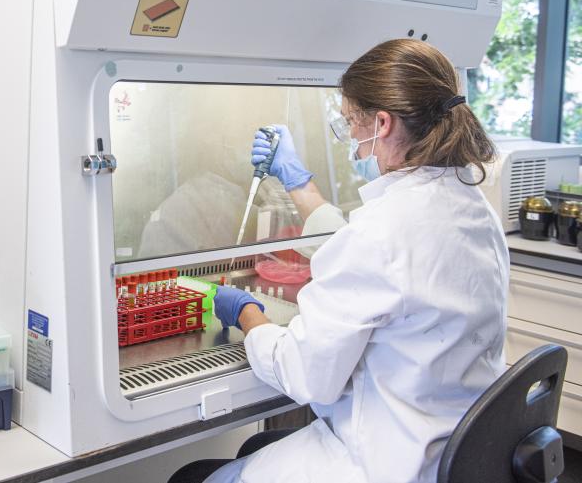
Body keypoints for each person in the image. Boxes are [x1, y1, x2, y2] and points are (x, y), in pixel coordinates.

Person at [173, 39, 508, 483]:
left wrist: (249, 316)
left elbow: (304, 375)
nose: (351, 135)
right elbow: (371, 248)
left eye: (351, 120)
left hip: (384, 463)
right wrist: (300, 185)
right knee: (258, 446)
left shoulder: (384, 232)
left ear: (382, 123)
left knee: (194, 477)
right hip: (455, 452)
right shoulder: (472, 205)